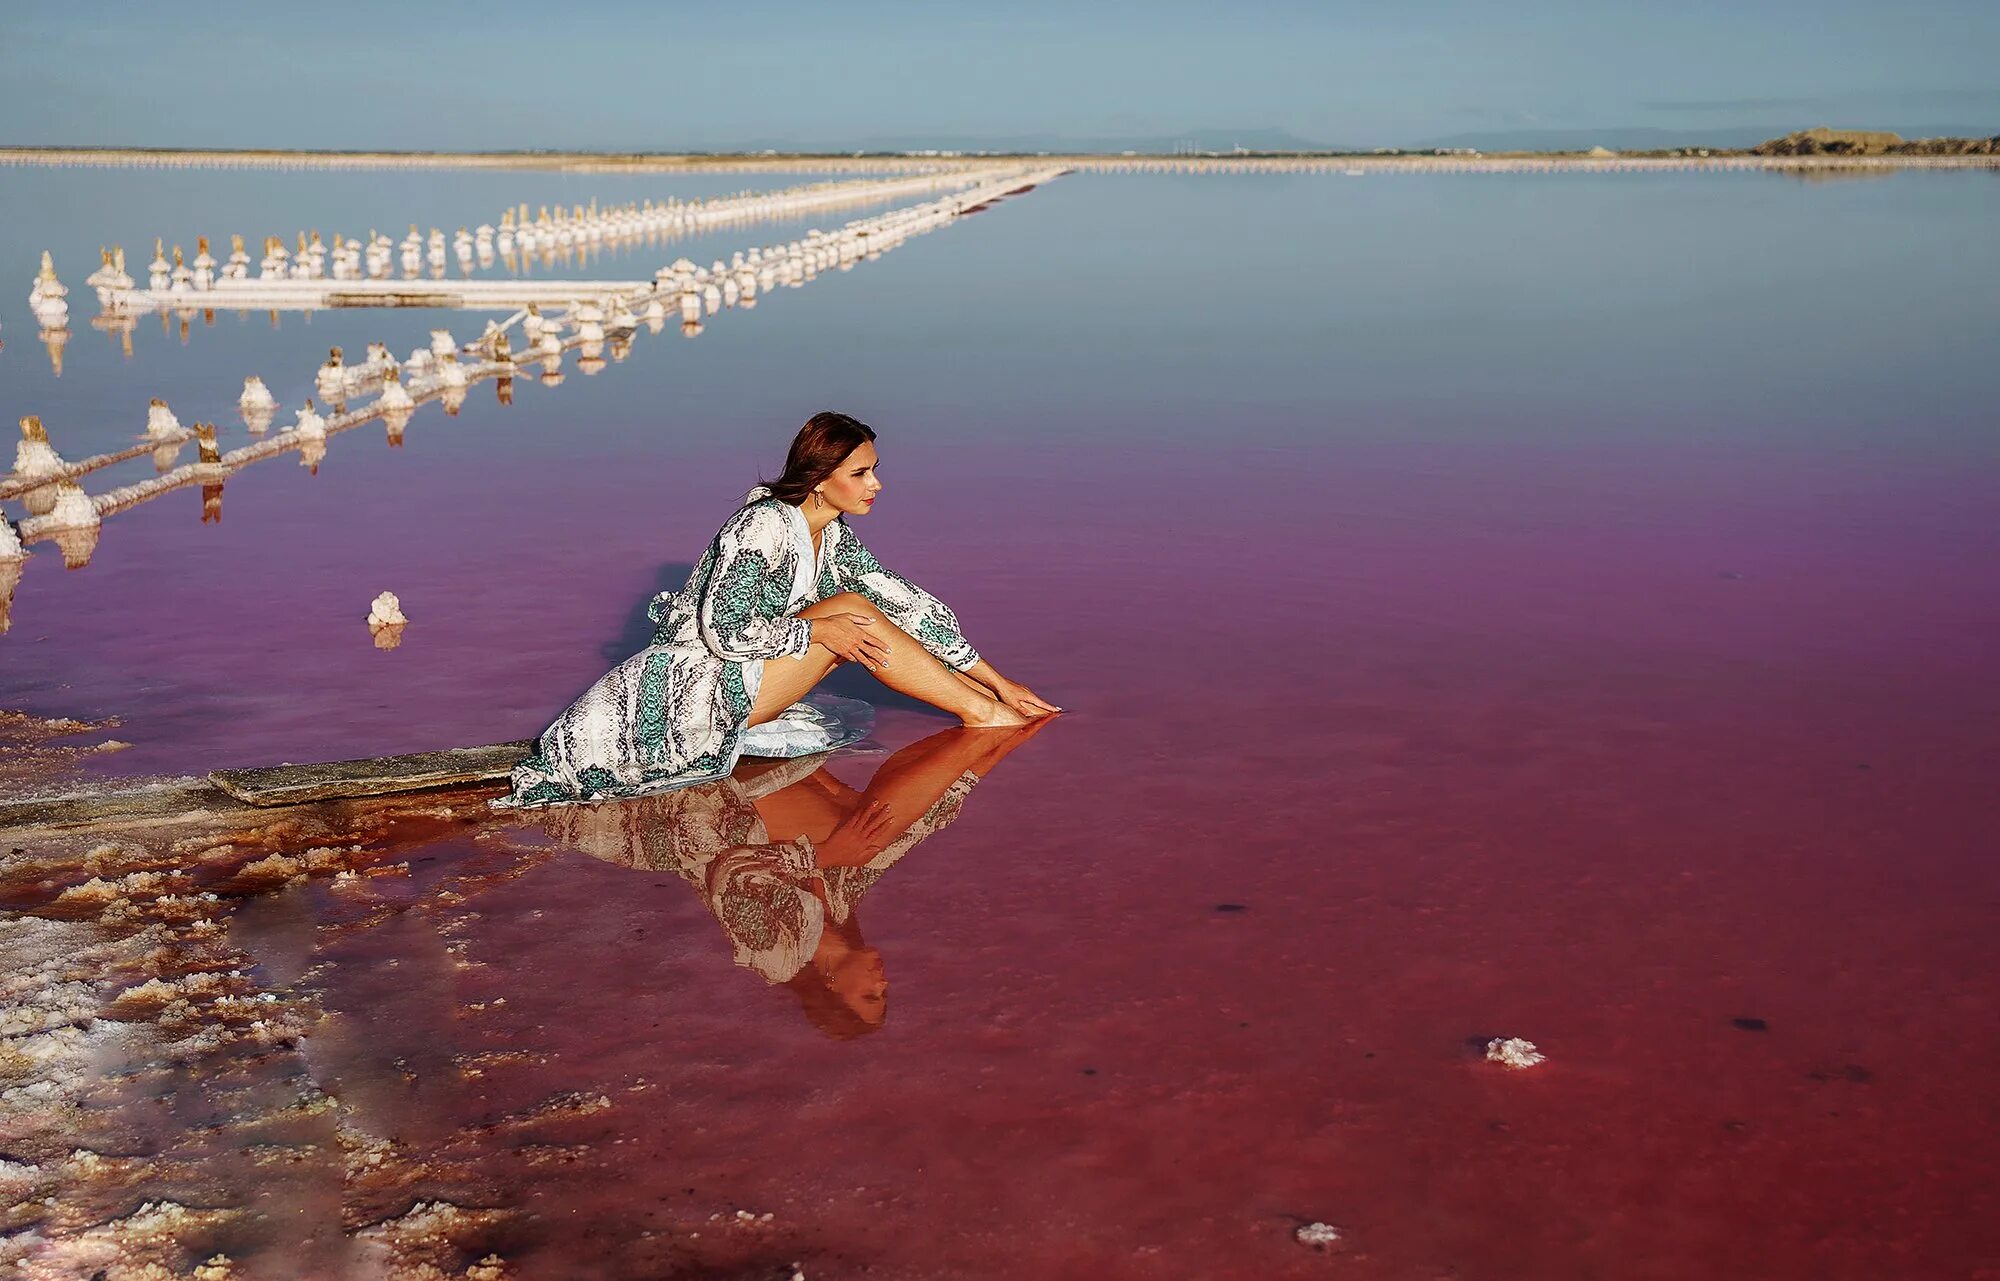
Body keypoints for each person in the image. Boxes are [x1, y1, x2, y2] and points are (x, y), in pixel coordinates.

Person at [503, 411, 1059, 808]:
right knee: (850, 612)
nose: (877, 485)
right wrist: (821, 629)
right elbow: (725, 629)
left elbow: (904, 603)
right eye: (860, 473)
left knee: (860, 606)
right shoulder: (762, 526)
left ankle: (988, 707)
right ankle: (984, 720)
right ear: (819, 480)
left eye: (874, 469)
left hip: (745, 680)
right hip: (693, 694)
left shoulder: (831, 535)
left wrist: (998, 679)